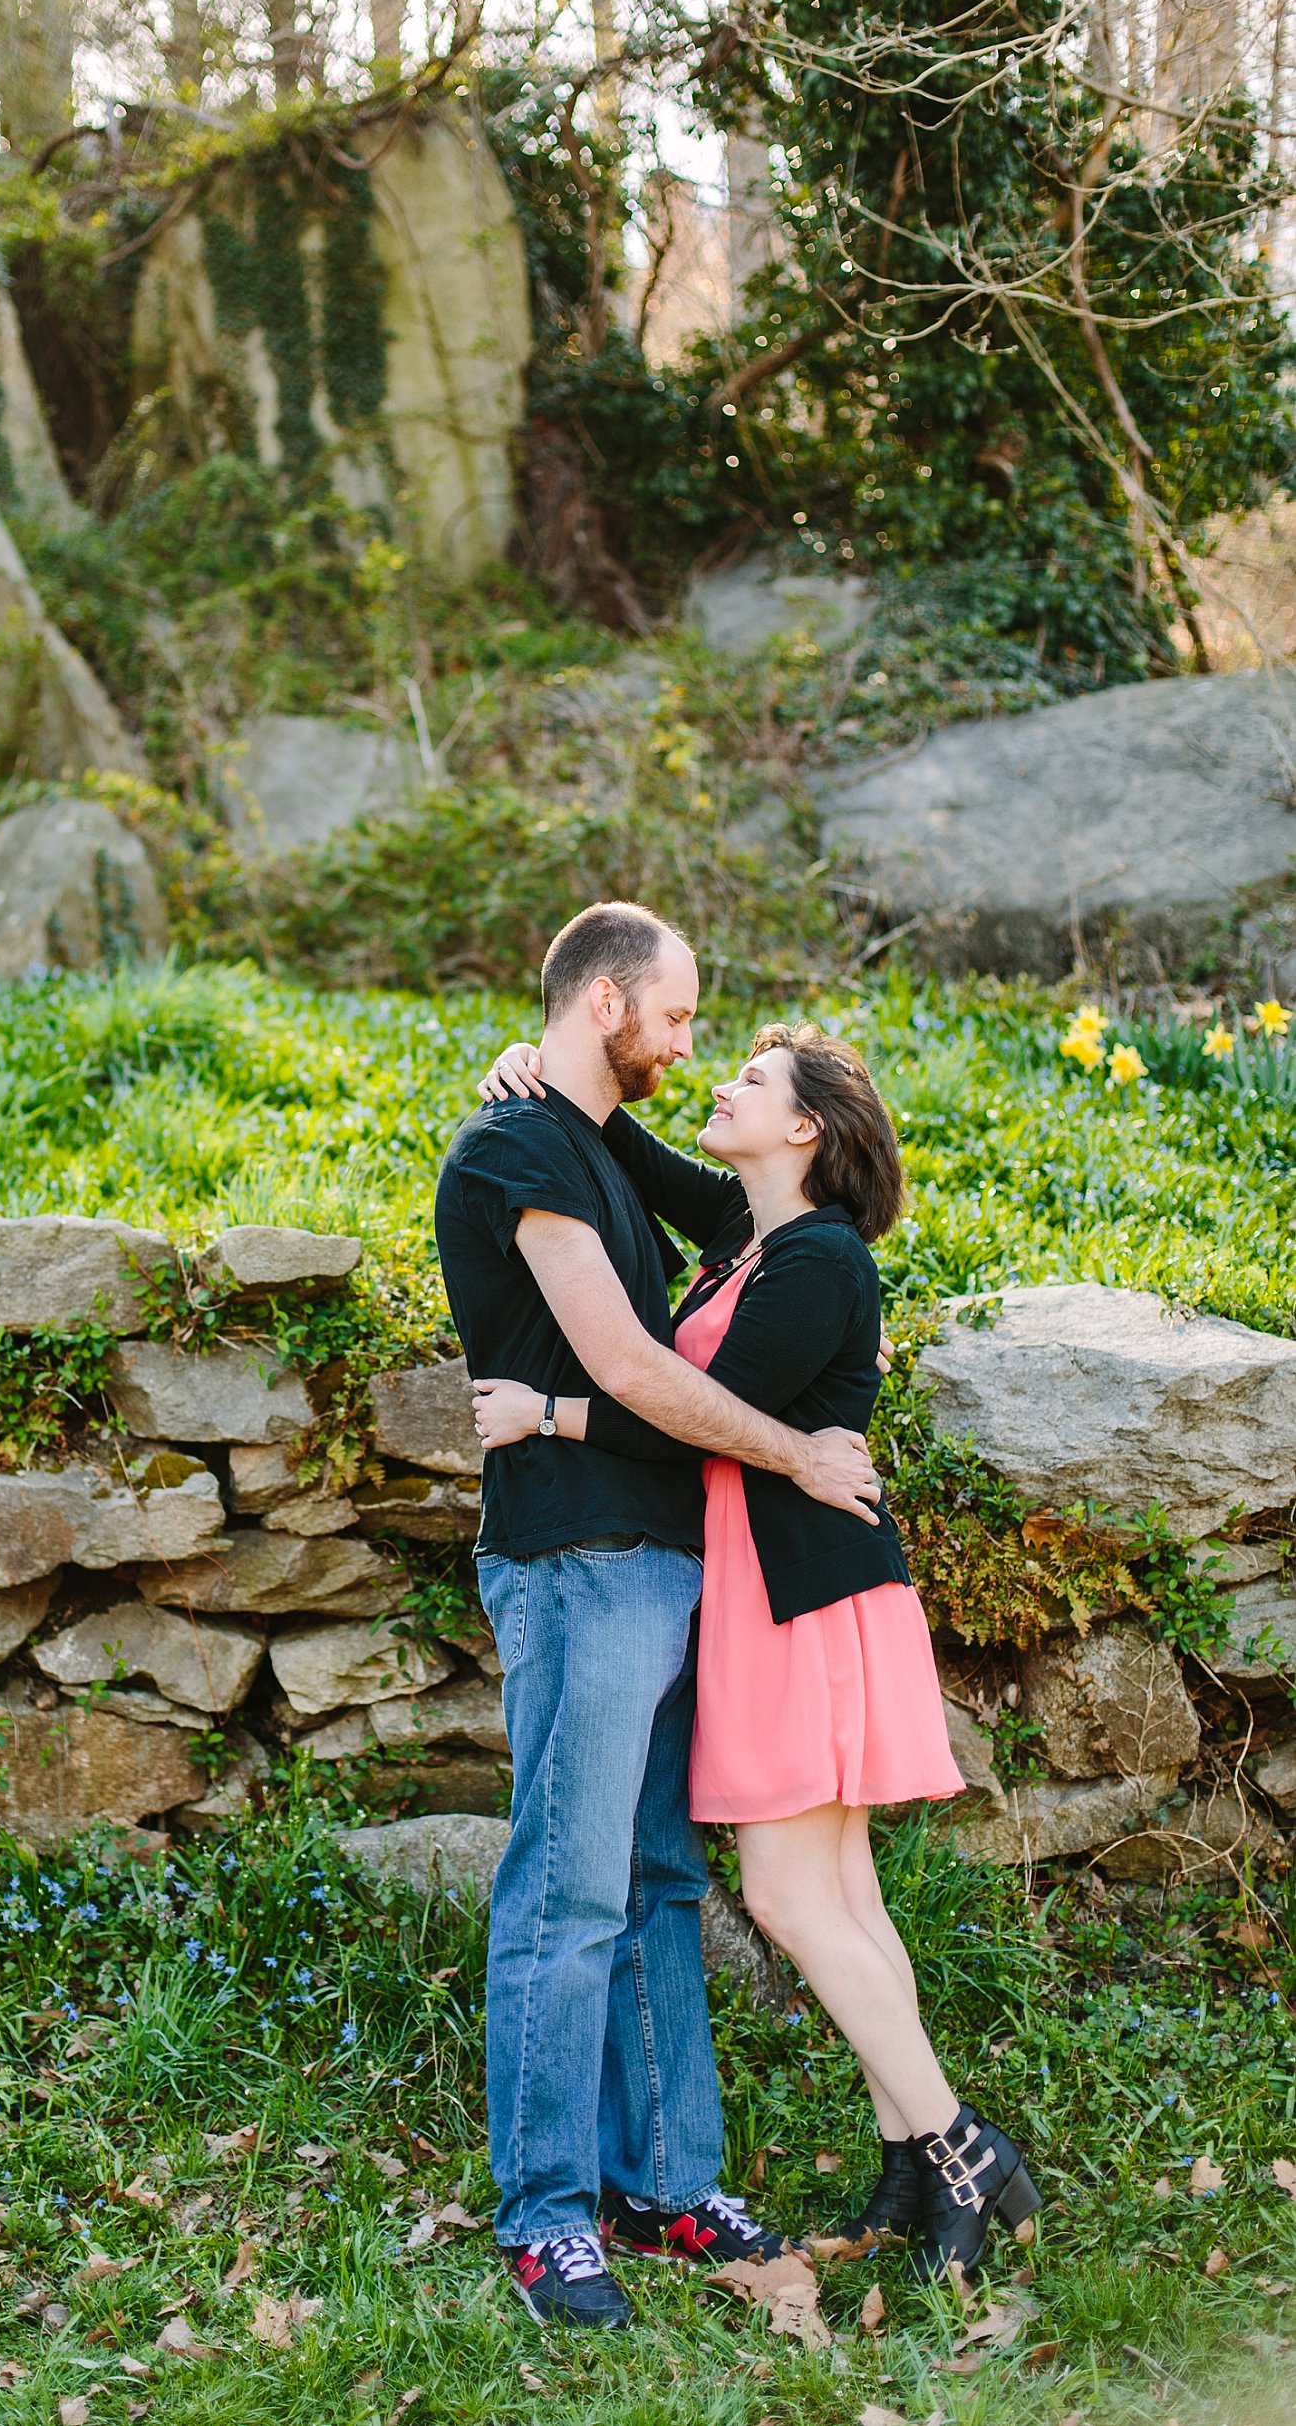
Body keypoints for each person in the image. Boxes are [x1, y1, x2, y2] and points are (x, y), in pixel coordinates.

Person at [469, 1020, 1043, 2281]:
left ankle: (958, 2142)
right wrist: (549, 1070)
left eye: (745, 1079)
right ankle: (911, 2153)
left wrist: (546, 1412)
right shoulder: (751, 1239)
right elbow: (636, 1148)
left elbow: (695, 1426)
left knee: (787, 1895)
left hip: (802, 1601)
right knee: (842, 1895)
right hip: (789, 1589)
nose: (714, 1082)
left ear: (802, 1131)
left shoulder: (820, 1263)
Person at [430, 901, 887, 2330]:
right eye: (679, 1016)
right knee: (568, 1887)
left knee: (658, 1881)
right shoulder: (516, 1147)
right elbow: (626, 1362)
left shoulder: (599, 1148)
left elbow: (694, 1287)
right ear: (610, 1001)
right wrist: (793, 1447)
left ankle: (667, 2177)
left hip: (665, 1559)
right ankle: (548, 2213)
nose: (691, 1047)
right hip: (579, 1557)